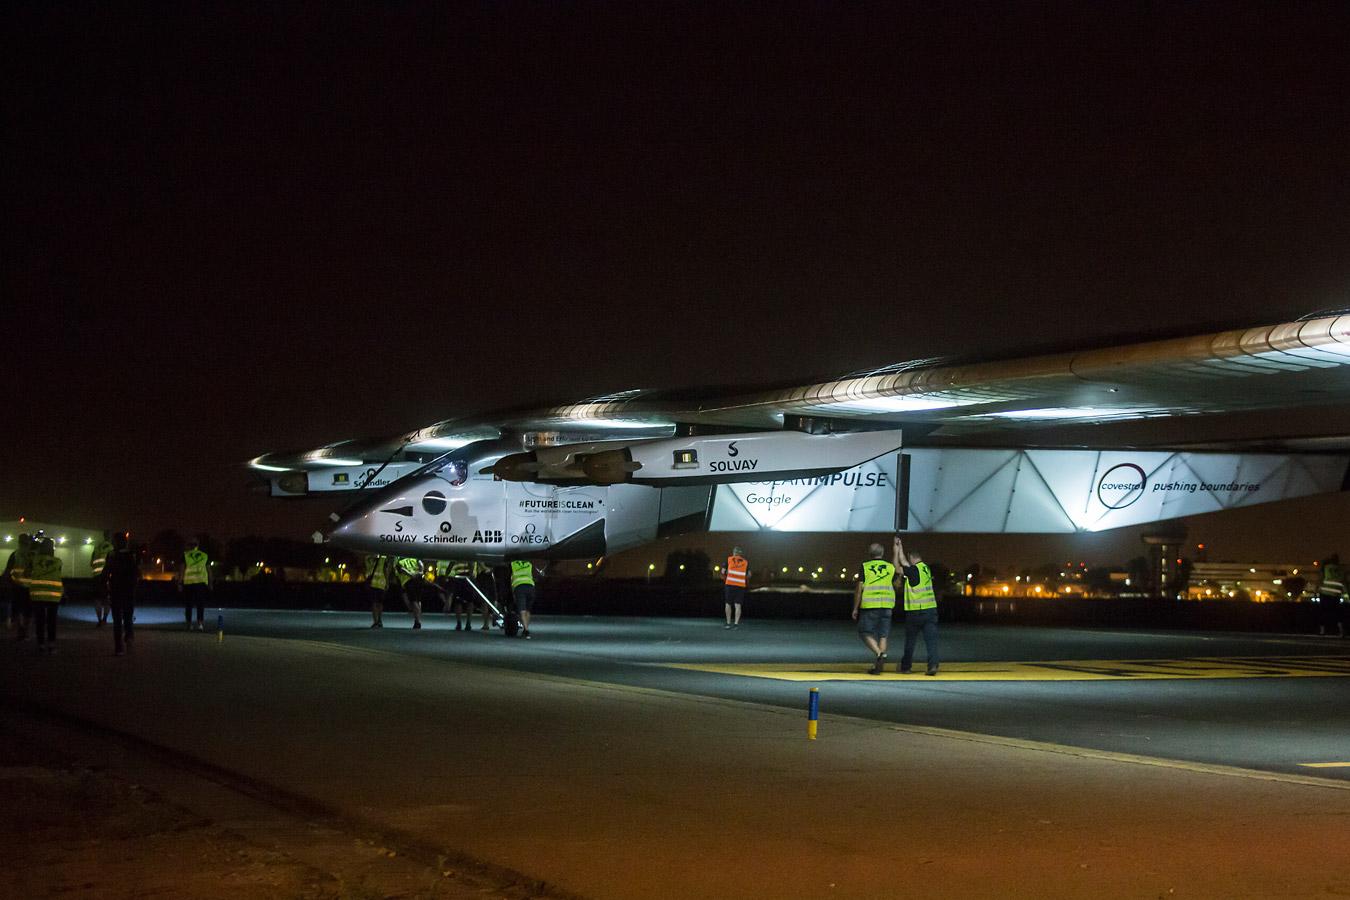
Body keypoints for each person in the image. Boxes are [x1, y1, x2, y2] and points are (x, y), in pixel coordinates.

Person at [852, 541, 898, 675]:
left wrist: (855, 608)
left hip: (871, 605)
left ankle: (879, 654)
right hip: (887, 604)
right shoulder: (890, 567)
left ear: (870, 554)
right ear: (882, 553)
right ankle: (879, 664)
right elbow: (896, 580)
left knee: (864, 632)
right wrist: (896, 552)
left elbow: (859, 589)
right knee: (883, 635)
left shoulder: (865, 567)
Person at [895, 536, 940, 675]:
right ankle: (933, 666)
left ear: (911, 558)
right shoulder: (925, 568)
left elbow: (898, 567)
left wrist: (896, 551)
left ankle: (906, 667)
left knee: (910, 642)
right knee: (931, 641)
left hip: (915, 612)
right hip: (931, 610)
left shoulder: (913, 571)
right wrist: (900, 547)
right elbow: (905, 562)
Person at [103, 532, 140, 655]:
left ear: (116, 543)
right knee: (128, 617)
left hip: (116, 590)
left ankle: (119, 648)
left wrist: (106, 586)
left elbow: (105, 573)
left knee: (117, 620)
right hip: (129, 590)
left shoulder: (112, 555)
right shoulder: (132, 556)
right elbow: (137, 573)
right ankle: (129, 638)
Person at [24, 537, 64, 653]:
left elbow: (26, 573)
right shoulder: (58, 561)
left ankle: (40, 644)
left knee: (40, 620)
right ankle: (51, 645)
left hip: (37, 594)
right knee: (52, 621)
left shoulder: (34, 560)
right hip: (53, 594)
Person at [5, 534, 33, 641]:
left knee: (18, 609)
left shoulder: (15, 555)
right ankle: (25, 631)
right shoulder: (33, 556)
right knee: (28, 611)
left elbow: (8, 570)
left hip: (17, 586)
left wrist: (7, 581)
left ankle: (20, 630)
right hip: (30, 587)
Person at [180, 538, 212, 631]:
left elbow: (182, 570)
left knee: (188, 605)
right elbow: (209, 571)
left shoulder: (185, 555)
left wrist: (179, 582)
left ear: (189, 545)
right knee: (200, 604)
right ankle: (200, 624)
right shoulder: (205, 555)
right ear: (198, 545)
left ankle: (189, 624)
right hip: (201, 583)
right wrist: (210, 583)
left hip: (189, 583)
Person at [509, 558, 539, 639]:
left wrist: (513, 592)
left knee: (522, 610)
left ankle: (526, 630)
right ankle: (526, 629)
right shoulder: (529, 563)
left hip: (519, 586)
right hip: (530, 586)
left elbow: (511, 578)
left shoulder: (513, 564)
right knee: (528, 610)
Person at [90, 530, 114, 626]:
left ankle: (99, 620)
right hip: (106, 576)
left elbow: (91, 563)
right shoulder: (111, 548)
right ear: (110, 537)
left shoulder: (96, 548)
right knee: (107, 599)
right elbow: (113, 562)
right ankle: (104, 619)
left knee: (97, 599)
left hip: (96, 576)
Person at [394, 556, 425, 629]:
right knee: (418, 600)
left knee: (413, 600)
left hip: (408, 580)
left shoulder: (398, 558)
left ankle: (417, 621)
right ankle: (418, 618)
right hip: (419, 579)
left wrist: (411, 574)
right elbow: (420, 563)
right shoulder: (413, 555)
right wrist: (421, 572)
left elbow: (401, 569)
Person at [1318, 554, 1345, 638]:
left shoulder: (1327, 567)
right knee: (1337, 613)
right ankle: (1341, 631)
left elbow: (1321, 576)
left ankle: (1322, 631)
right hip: (1336, 593)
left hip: (1325, 592)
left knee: (1323, 612)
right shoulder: (1341, 569)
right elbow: (1344, 580)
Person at [723, 546, 749, 629]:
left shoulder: (729, 559)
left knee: (728, 603)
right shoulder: (745, 562)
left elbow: (723, 571)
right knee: (738, 605)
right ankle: (736, 624)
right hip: (740, 586)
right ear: (741, 554)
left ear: (733, 552)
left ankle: (728, 623)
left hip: (730, 585)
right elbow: (749, 574)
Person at [364, 554, 388, 628]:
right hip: (375, 584)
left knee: (378, 603)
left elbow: (386, 570)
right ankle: (377, 621)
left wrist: (387, 582)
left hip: (379, 584)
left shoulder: (383, 558)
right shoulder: (369, 558)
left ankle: (378, 620)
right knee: (375, 603)